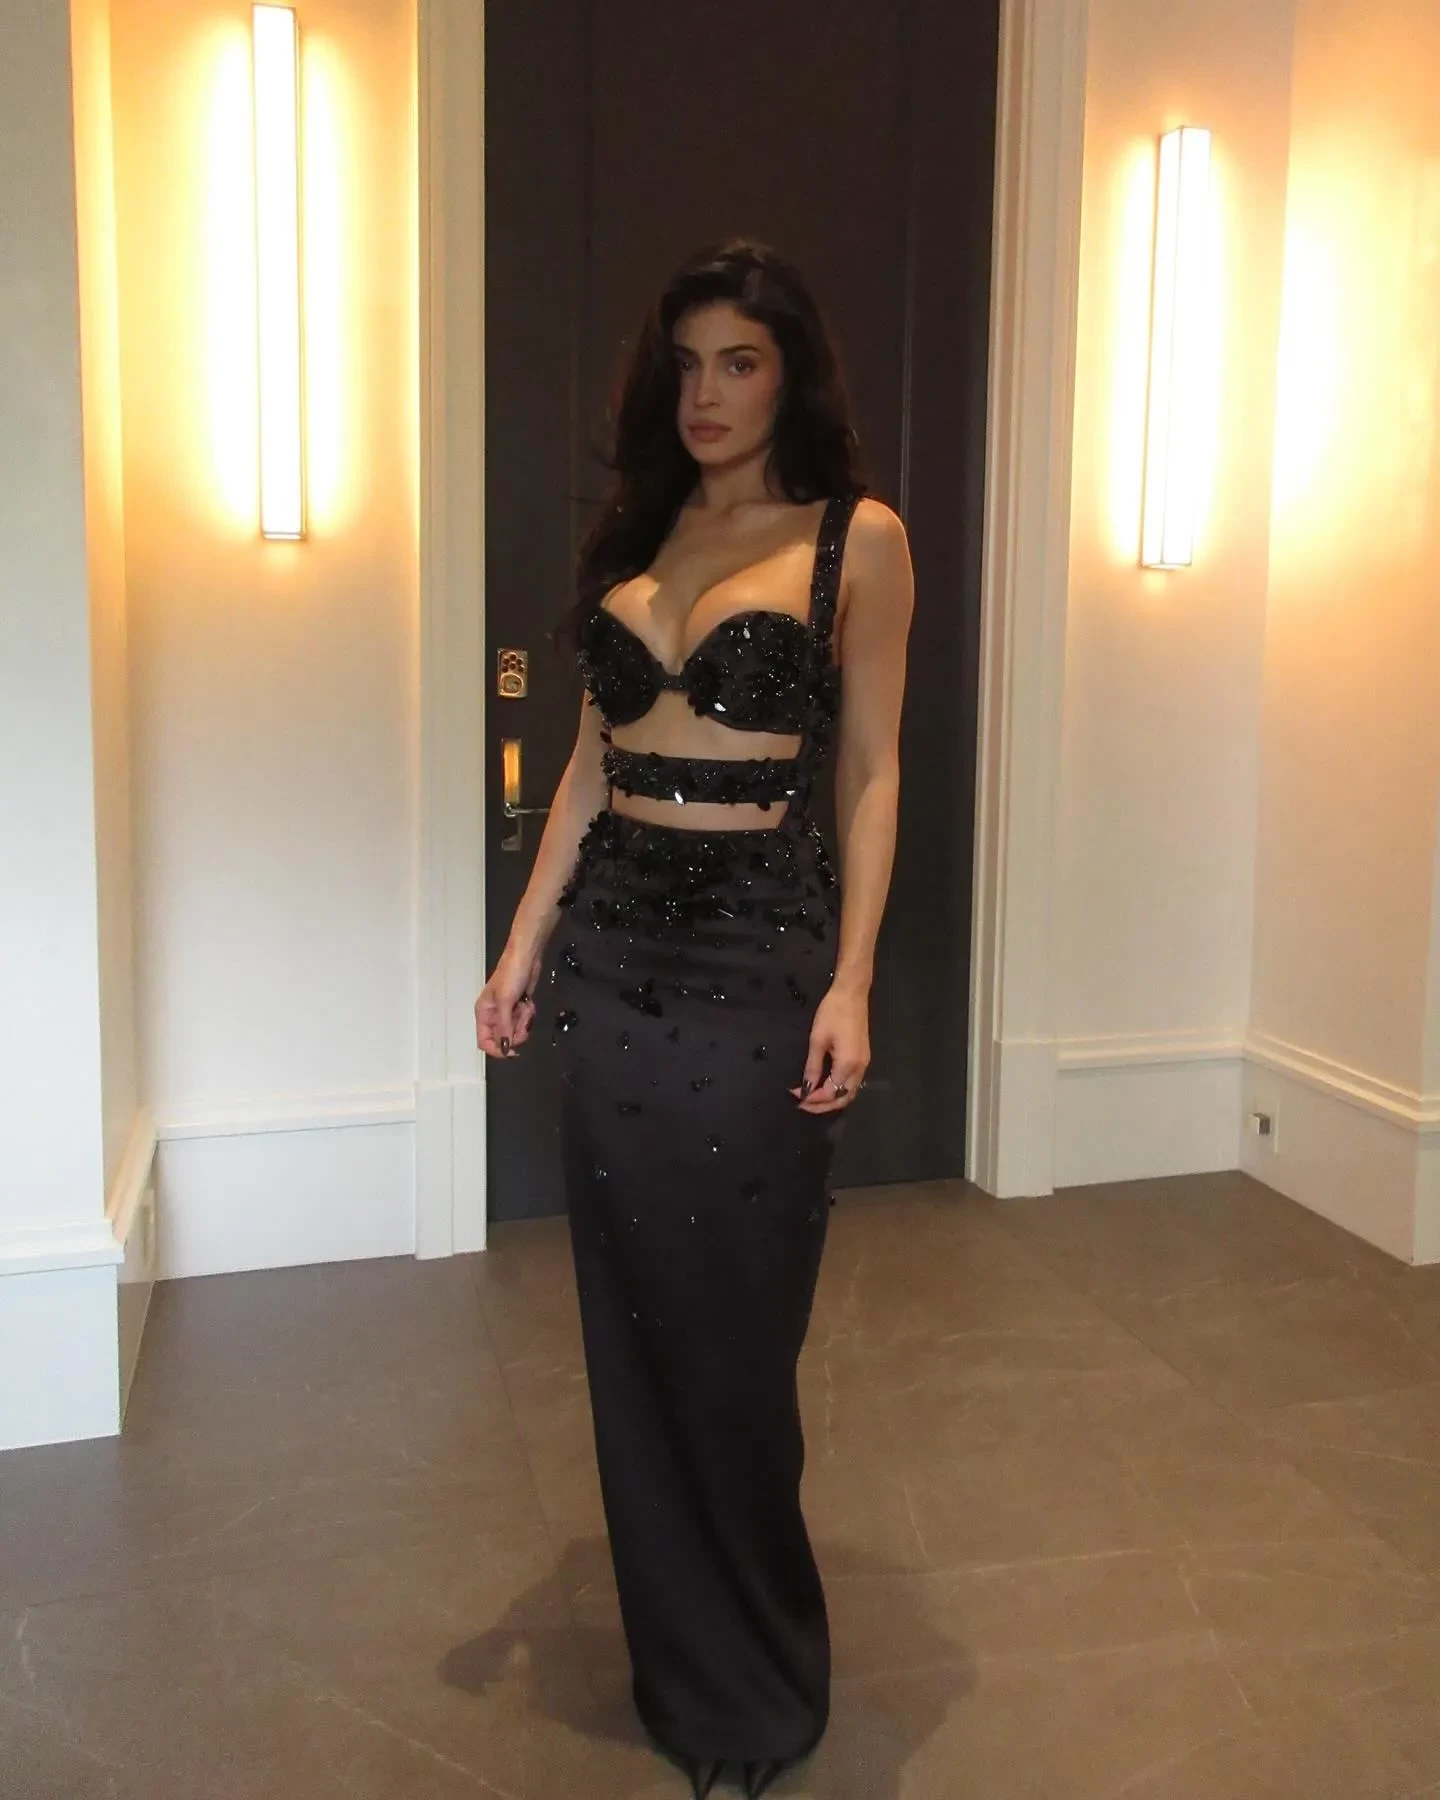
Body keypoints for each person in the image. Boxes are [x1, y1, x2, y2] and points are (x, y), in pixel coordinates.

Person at [475, 238, 914, 1798]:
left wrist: (853, 977)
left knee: (732, 1336)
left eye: (740, 361)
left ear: (792, 371)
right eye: (686, 365)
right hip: (612, 963)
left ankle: (759, 1681)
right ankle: (685, 1673)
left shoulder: (856, 539)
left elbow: (872, 770)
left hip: (756, 962)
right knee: (636, 1330)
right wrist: (523, 944)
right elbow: (590, 762)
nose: (708, 394)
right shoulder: (645, 527)